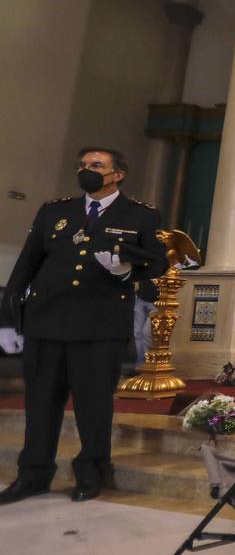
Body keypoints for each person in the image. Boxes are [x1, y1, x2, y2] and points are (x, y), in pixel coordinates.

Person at [0, 148, 167, 504]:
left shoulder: (141, 215)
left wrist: (126, 270)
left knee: (93, 404)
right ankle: (33, 474)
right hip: (47, 321)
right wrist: (10, 320)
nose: (86, 171)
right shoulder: (55, 211)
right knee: (41, 402)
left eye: (96, 166)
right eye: (83, 165)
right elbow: (27, 264)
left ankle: (91, 471)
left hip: (99, 324)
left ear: (117, 173)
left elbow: (157, 264)